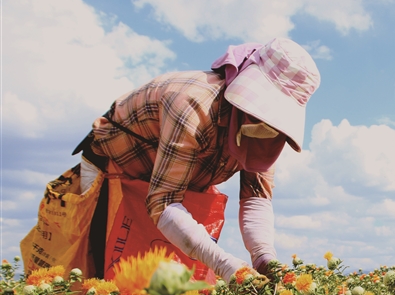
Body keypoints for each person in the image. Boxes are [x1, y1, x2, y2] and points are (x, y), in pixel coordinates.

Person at [73, 38, 321, 282]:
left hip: (175, 192)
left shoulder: (269, 135)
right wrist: (225, 264)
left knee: (170, 293)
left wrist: (265, 258)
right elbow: (164, 201)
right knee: (104, 279)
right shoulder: (193, 103)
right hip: (118, 170)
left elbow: (256, 197)